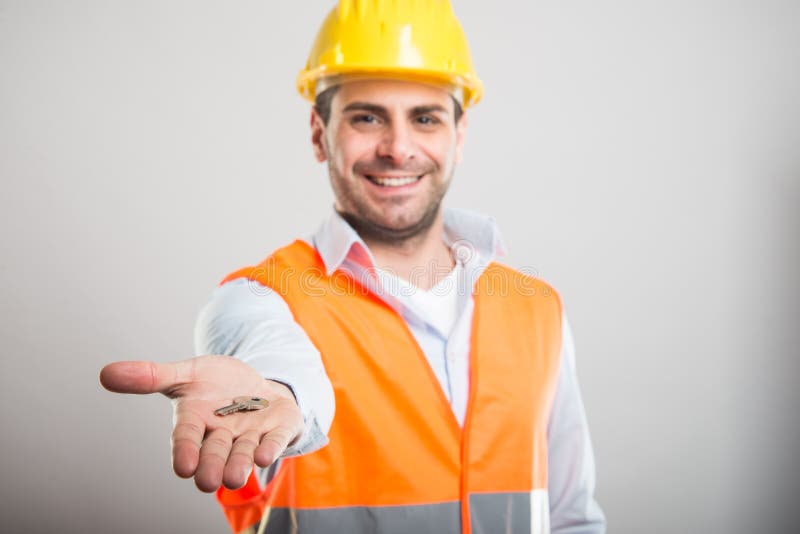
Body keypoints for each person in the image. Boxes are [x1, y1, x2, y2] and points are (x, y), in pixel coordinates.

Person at [100, 1, 606, 533]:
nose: (398, 148)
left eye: (426, 118)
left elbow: (570, 515)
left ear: (458, 137)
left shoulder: (536, 307)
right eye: (367, 117)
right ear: (320, 134)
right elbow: (280, 364)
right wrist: (282, 397)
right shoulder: (258, 299)